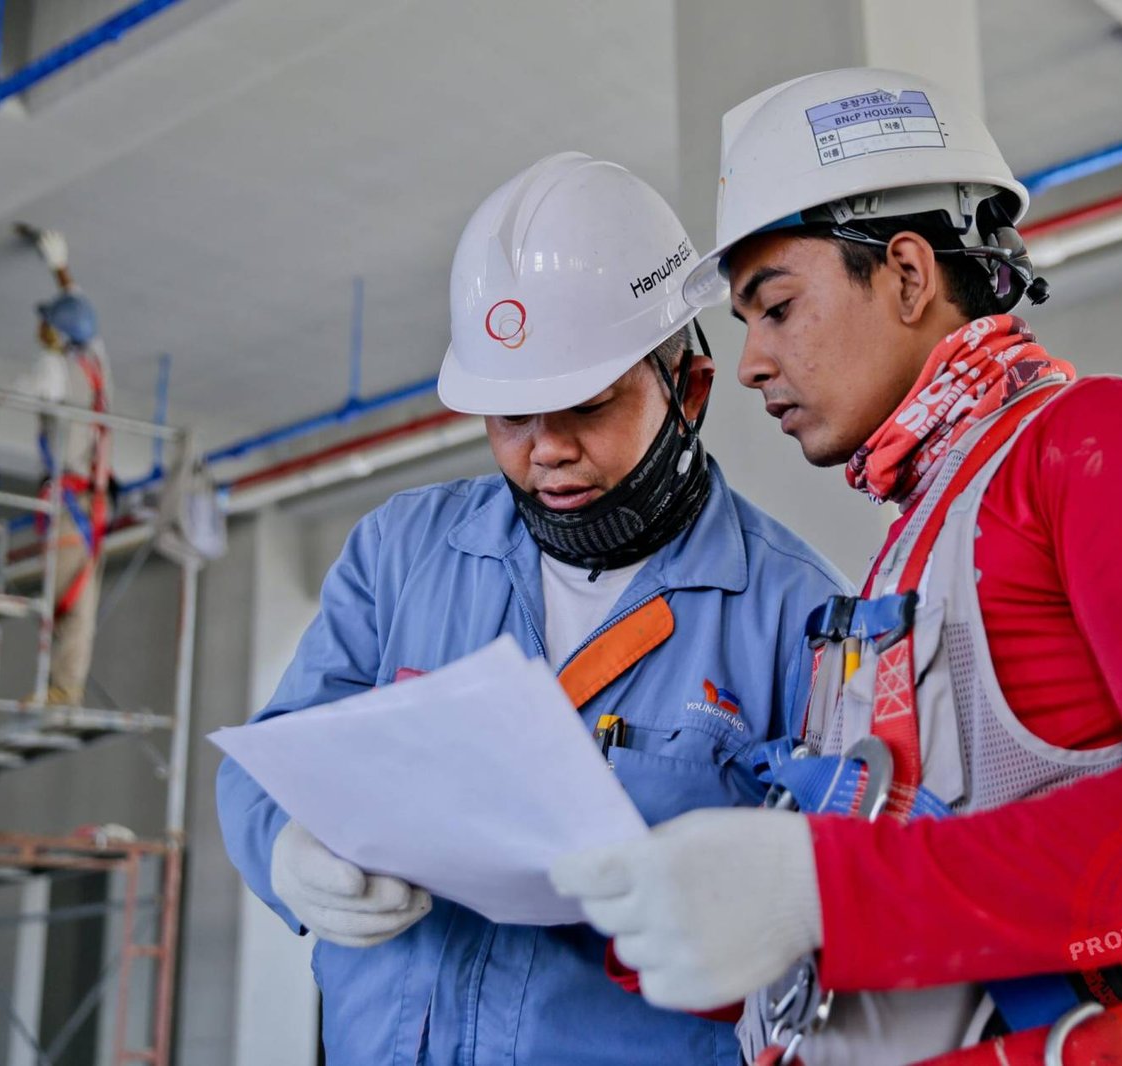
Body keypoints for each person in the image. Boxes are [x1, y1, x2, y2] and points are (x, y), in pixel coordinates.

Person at [551, 70, 1122, 1065]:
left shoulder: (1103, 444)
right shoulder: (913, 548)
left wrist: (819, 890)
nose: (749, 363)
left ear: (908, 275)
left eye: (775, 307)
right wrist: (703, 910)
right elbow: (907, 870)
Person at [215, 151, 851, 1065]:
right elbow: (273, 754)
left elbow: (836, 915)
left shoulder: (796, 615)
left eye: (586, 408)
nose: (545, 450)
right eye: (511, 416)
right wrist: (285, 850)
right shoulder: (400, 556)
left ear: (690, 390)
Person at [0, 226, 114, 706]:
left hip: (69, 503)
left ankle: (60, 689)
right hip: (89, 499)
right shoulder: (95, 360)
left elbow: (29, 382)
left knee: (64, 600)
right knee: (76, 597)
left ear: (56, 334)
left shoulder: (55, 370)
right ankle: (64, 686)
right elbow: (80, 311)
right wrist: (60, 268)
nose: (39, 328)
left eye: (46, 323)